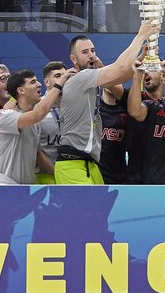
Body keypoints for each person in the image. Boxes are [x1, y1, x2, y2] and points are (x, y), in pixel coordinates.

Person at [54, 20, 158, 185]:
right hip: (73, 163)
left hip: (89, 164)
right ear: (73, 59)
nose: (91, 55)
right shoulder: (79, 78)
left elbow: (121, 76)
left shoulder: (89, 81)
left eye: (93, 50)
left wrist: (142, 57)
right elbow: (120, 69)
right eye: (85, 52)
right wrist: (140, 36)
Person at [0, 69, 69, 185]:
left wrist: (58, 175)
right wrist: (59, 83)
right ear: (21, 90)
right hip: (3, 184)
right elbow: (37, 115)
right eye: (33, 82)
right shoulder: (6, 115)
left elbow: (38, 156)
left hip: (26, 187)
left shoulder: (35, 122)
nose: (39, 84)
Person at [36, 62, 68, 184]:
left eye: (65, 76)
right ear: (46, 82)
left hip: (68, 173)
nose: (63, 80)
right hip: (42, 175)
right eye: (58, 76)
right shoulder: (36, 107)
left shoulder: (72, 106)